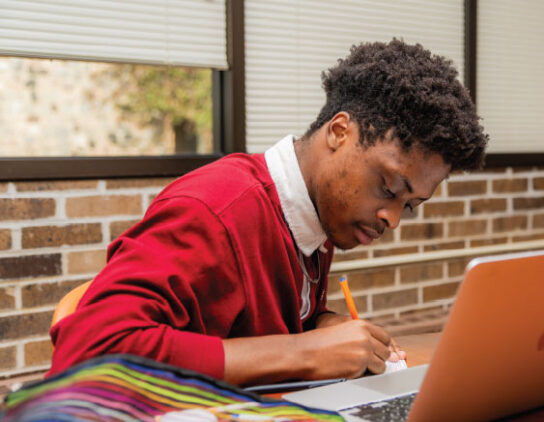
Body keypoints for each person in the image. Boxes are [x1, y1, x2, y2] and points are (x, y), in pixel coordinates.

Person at [49, 39, 487, 386]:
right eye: (389, 188)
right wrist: (306, 353)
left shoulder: (314, 216)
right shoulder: (215, 211)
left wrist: (320, 324)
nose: (392, 218)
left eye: (409, 206)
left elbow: (246, 321)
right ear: (340, 131)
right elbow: (89, 351)